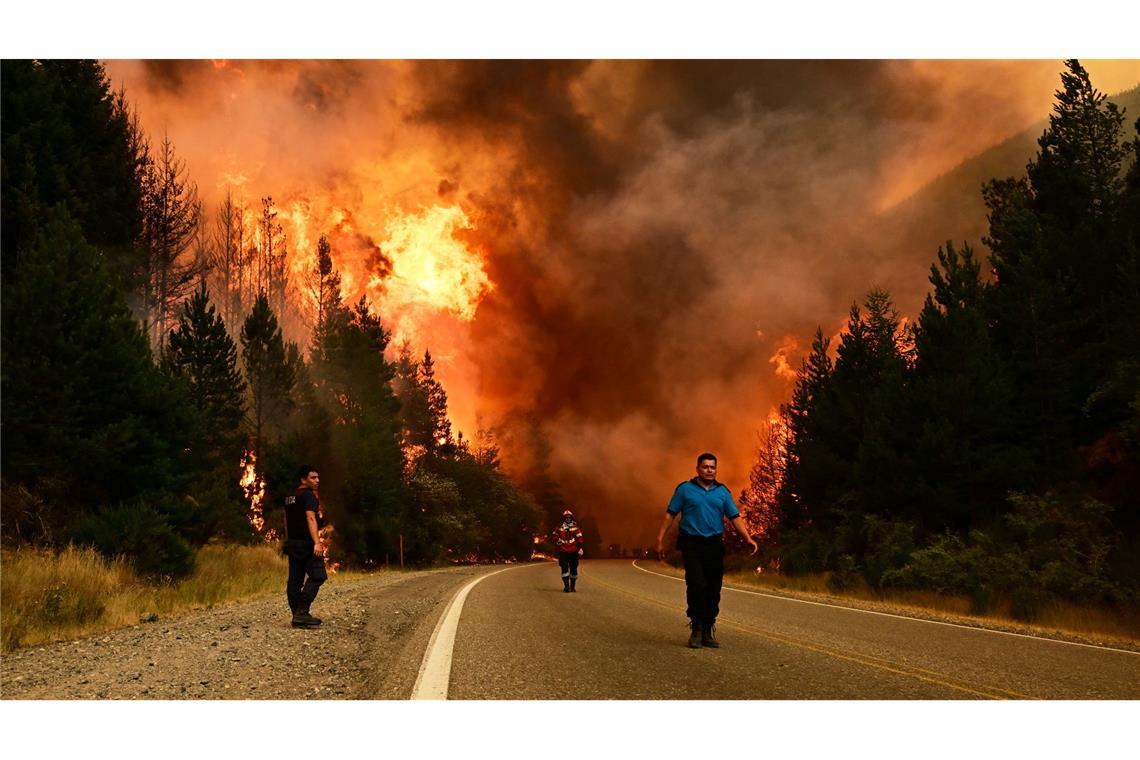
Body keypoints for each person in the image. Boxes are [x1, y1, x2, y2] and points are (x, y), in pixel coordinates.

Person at [656, 452, 757, 648]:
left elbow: (734, 517)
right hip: (691, 543)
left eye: (712, 467)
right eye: (705, 467)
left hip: (714, 544)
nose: (709, 470)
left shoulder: (722, 492)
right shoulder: (684, 489)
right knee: (696, 584)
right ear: (697, 469)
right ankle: (696, 627)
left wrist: (747, 538)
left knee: (713, 587)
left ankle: (708, 629)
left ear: (716, 470)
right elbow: (670, 515)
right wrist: (659, 540)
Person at [283, 465, 327, 628]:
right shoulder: (308, 496)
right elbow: (310, 518)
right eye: (313, 478)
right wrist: (317, 542)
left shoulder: (290, 496)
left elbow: (286, 519)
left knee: (295, 580)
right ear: (303, 480)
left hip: (293, 543)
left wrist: (288, 540)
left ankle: (297, 616)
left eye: (318, 477)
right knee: (318, 575)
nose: (317, 480)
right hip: (306, 544)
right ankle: (302, 612)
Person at [552, 509, 585, 592]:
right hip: (563, 551)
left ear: (572, 518)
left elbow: (580, 538)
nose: (568, 519)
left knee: (574, 569)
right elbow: (554, 536)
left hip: (573, 551)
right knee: (564, 568)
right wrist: (557, 540)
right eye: (566, 518)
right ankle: (567, 587)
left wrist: (580, 548)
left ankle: (572, 587)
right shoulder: (559, 527)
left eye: (569, 517)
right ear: (563, 518)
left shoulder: (575, 527)